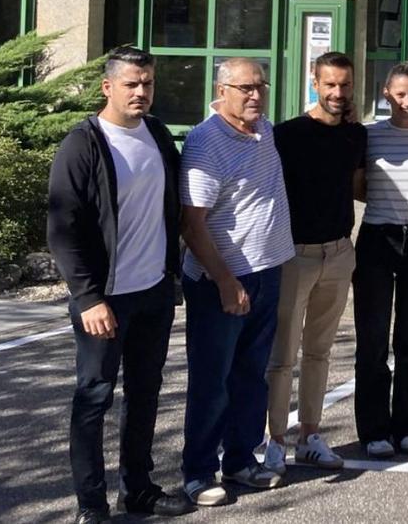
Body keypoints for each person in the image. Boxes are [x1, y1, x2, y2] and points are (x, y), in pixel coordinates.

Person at [48, 47, 190, 524]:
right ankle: (91, 504)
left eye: (147, 83)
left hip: (153, 291)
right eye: (131, 83)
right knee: (93, 398)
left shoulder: (156, 134)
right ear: (107, 86)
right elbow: (63, 228)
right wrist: (88, 297)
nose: (141, 92)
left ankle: (139, 489)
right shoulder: (83, 143)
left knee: (146, 394)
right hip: (105, 299)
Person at [178, 58, 294, 506]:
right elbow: (193, 224)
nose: (255, 95)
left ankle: (241, 460)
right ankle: (198, 472)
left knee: (251, 374)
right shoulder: (206, 143)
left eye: (260, 86)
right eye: (244, 88)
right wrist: (225, 280)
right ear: (220, 90)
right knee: (213, 379)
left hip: (268, 270)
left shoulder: (263, 130)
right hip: (221, 280)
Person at [263, 52, 366, 475]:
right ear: (314, 82)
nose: (337, 93)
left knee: (320, 352)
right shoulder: (286, 135)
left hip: (339, 252)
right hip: (295, 255)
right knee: (282, 355)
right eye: (330, 84)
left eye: (344, 85)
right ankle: (273, 441)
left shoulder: (355, 135)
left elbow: (360, 186)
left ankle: (309, 436)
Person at [353, 61, 408, 458]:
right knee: (372, 340)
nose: (407, 101)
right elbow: (357, 186)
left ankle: (407, 422)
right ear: (386, 94)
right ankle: (373, 429)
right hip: (377, 237)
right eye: (399, 94)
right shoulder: (369, 136)